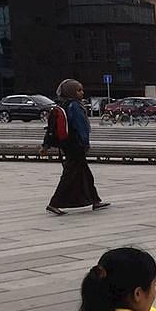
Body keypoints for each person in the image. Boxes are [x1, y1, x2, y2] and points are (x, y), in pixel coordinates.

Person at [44, 78, 110, 216]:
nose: (82, 92)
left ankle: (95, 200)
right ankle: (54, 203)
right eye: (78, 90)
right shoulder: (75, 106)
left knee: (85, 174)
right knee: (69, 175)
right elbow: (81, 127)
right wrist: (85, 144)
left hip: (68, 145)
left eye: (81, 89)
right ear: (71, 92)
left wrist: (46, 145)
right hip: (76, 146)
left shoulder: (64, 105)